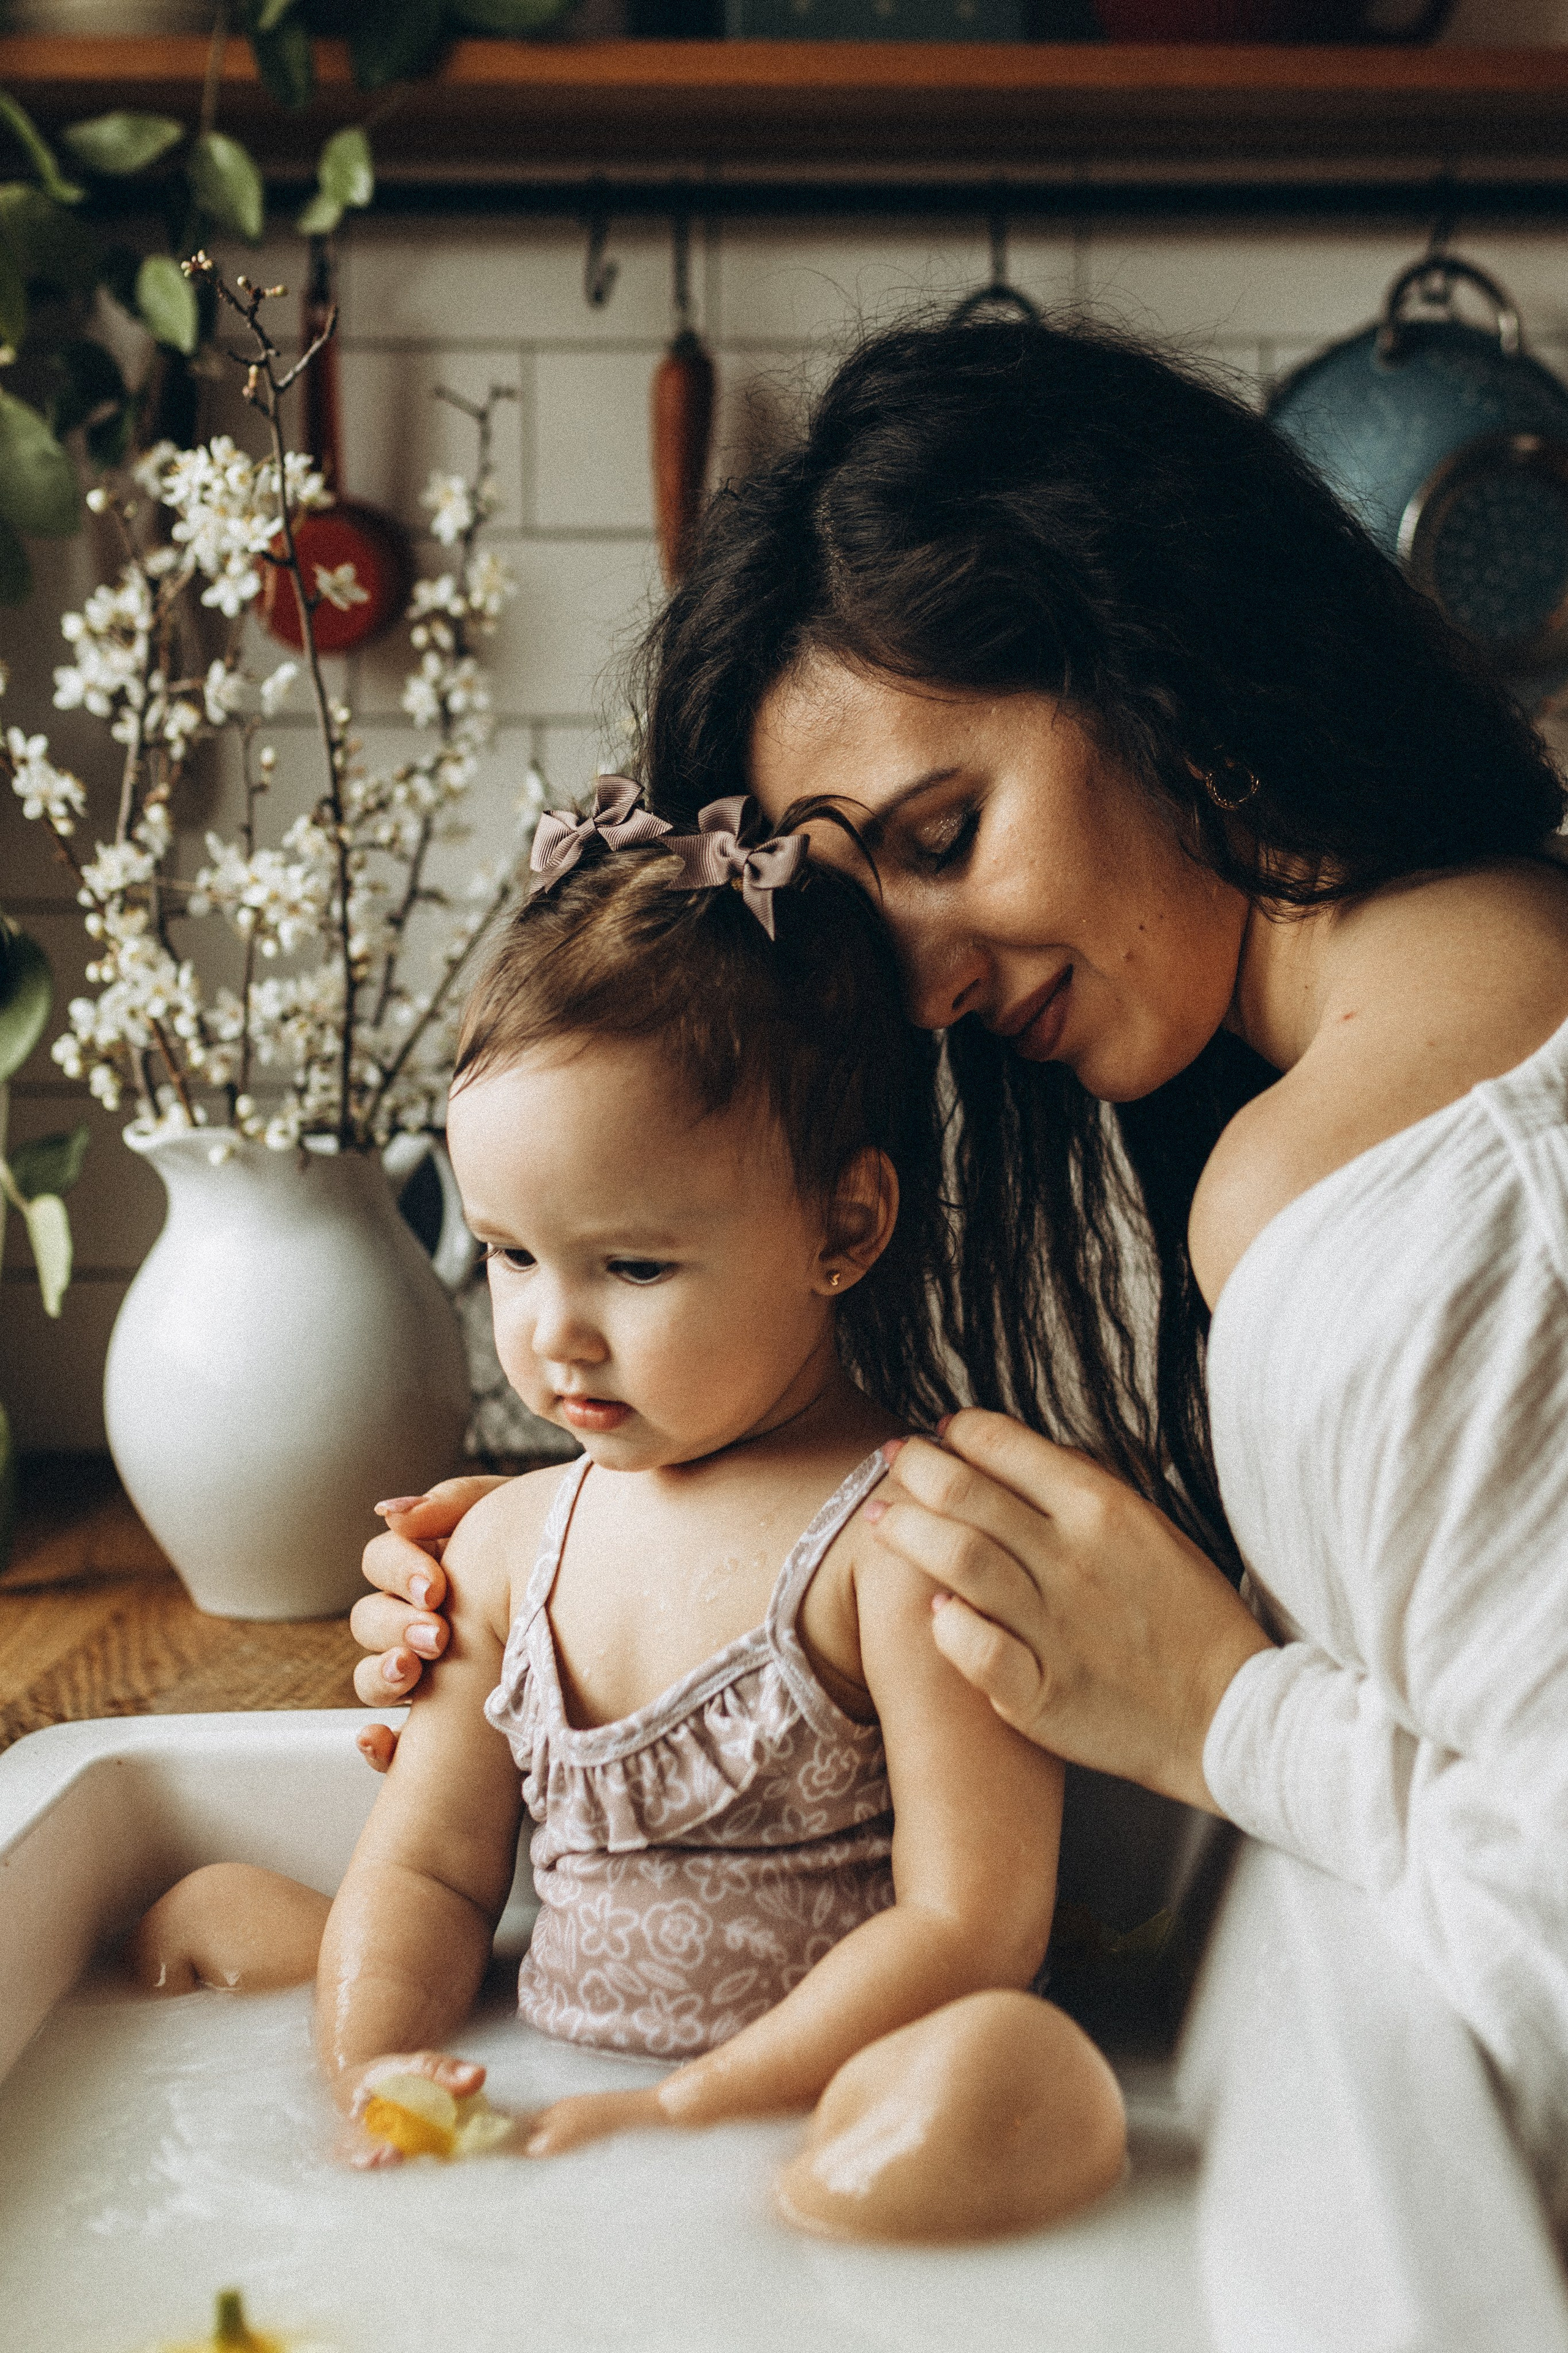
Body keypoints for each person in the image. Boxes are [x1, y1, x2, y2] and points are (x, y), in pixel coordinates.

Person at [353, 309, 1568, 2227]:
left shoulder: (1409, 1193)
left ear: (1167, 662)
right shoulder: (1444, 1027)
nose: (918, 991)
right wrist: (608, 1583)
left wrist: (1224, 1715)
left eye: (946, 831)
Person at [132, 793, 1126, 2242]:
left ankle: (815, 2211)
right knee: (205, 1914)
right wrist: (375, 2069)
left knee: (996, 2071)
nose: (554, 1333)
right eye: (508, 1254)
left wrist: (689, 2107)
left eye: (634, 1267)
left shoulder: (908, 1541)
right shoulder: (504, 1547)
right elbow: (430, 1868)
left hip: (803, 2105)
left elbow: (972, 1926)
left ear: (843, 1227)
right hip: (553, 2082)